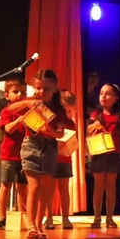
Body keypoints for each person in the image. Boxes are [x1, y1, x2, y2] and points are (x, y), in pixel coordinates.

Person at [8, 69, 67, 239]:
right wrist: (28, 103)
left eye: (46, 89)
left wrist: (50, 131)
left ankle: (39, 226)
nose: (41, 92)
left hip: (49, 147)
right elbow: (10, 108)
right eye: (38, 88)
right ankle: (31, 226)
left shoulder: (58, 108)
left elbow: (60, 133)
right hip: (30, 145)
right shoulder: (31, 101)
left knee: (45, 190)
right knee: (33, 186)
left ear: (55, 88)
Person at [87, 82, 120, 228]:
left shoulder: (117, 116)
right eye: (101, 93)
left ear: (116, 98)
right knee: (98, 186)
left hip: (113, 153)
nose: (103, 96)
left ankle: (109, 217)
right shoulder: (96, 114)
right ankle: (97, 217)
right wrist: (94, 125)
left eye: (108, 94)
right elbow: (88, 130)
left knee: (110, 187)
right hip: (99, 152)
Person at [0, 77, 29, 229]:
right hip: (9, 154)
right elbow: (8, 128)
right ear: (7, 95)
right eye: (16, 92)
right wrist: (20, 120)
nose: (20, 95)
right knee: (6, 186)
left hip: (25, 155)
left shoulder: (28, 111)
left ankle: (23, 216)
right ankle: (2, 218)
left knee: (22, 188)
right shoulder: (6, 111)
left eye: (23, 92)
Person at [46, 89, 79, 231]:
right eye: (66, 110)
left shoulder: (70, 123)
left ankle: (65, 218)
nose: (68, 113)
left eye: (70, 111)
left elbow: (73, 141)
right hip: (51, 157)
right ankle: (48, 218)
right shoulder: (52, 120)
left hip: (65, 159)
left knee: (64, 189)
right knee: (49, 189)